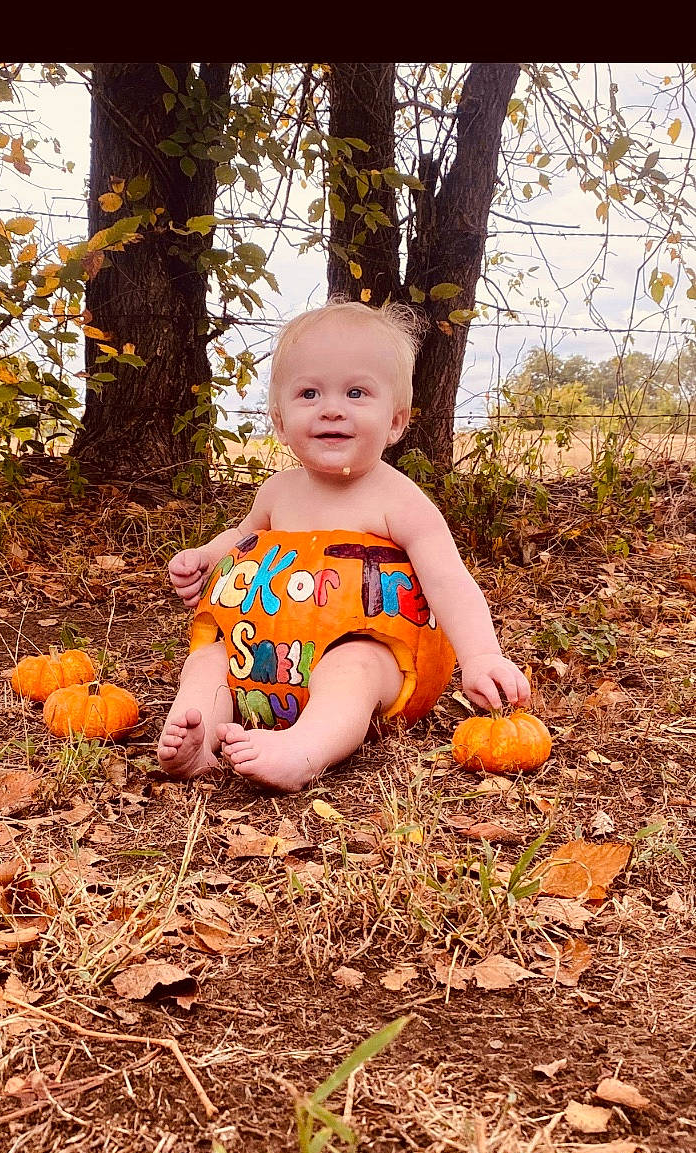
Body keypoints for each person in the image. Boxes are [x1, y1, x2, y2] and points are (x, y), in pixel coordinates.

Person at [157, 299, 530, 791]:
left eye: (356, 392)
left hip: (377, 662)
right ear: (280, 420)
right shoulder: (278, 491)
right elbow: (242, 538)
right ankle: (198, 740)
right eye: (309, 393)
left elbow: (449, 580)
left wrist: (481, 657)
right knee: (207, 660)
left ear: (395, 422)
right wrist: (206, 557)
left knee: (353, 664)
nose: (332, 408)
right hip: (262, 658)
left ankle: (305, 751)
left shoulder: (398, 501)